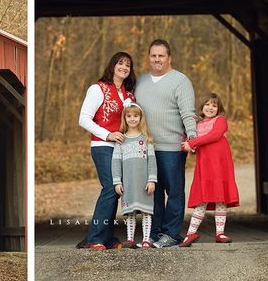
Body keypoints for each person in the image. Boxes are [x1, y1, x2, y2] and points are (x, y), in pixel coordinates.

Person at [135, 39, 197, 248]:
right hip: (146, 148)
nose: (157, 59)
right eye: (153, 55)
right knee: (153, 192)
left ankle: (171, 233)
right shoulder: (141, 81)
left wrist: (192, 138)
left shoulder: (180, 81)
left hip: (172, 147)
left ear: (169, 58)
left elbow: (188, 113)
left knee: (175, 192)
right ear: (149, 57)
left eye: (161, 55)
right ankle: (154, 232)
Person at [78, 51, 136, 250]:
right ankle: (95, 238)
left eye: (128, 65)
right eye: (120, 63)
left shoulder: (129, 94)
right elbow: (84, 119)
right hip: (103, 146)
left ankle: (108, 238)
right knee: (110, 188)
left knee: (117, 191)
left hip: (123, 148)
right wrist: (107, 134)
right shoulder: (98, 88)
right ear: (112, 66)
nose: (124, 67)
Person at [179, 93, 240, 247]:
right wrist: (188, 145)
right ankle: (191, 233)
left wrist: (192, 143)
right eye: (207, 104)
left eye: (214, 105)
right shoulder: (196, 125)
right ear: (201, 107)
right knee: (203, 198)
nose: (210, 107)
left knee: (220, 198)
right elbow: (188, 141)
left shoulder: (221, 121)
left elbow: (214, 135)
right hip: (204, 166)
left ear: (218, 109)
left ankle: (220, 233)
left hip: (220, 166)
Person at [112, 101, 157, 249]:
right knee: (130, 212)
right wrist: (117, 181)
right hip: (128, 183)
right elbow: (116, 162)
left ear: (140, 118)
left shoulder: (146, 138)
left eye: (135, 116)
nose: (132, 119)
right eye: (129, 116)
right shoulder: (121, 141)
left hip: (144, 183)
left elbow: (152, 162)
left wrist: (151, 180)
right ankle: (130, 239)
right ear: (124, 118)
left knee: (146, 212)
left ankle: (145, 239)